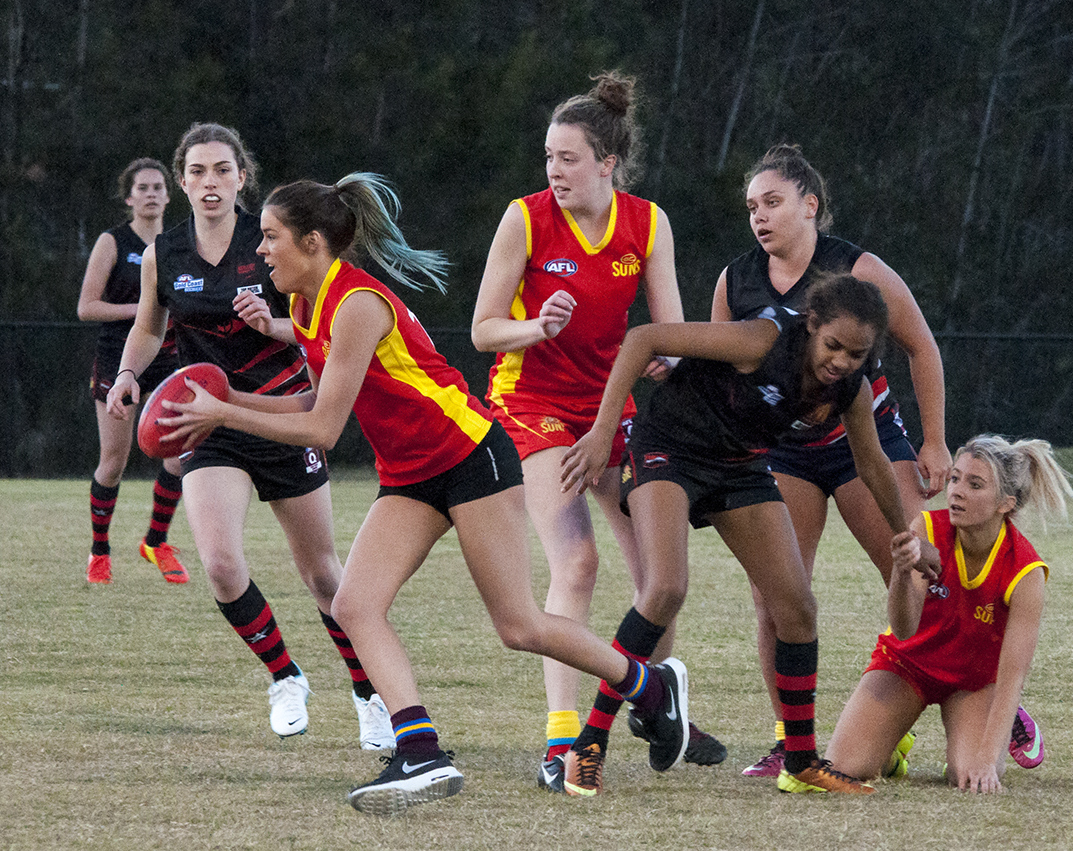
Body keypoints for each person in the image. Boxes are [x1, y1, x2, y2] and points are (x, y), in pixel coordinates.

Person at [158, 171, 692, 817]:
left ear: (314, 241)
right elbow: (313, 399)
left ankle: (648, 686)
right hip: (411, 473)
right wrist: (225, 401)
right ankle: (420, 749)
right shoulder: (304, 304)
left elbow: (322, 428)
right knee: (355, 604)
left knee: (518, 625)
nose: (261, 249)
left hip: (470, 458)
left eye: (271, 237)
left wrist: (223, 413)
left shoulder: (355, 302)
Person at [559, 273, 938, 796]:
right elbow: (643, 338)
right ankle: (588, 744)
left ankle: (801, 761)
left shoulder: (851, 383)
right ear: (811, 326)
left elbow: (872, 463)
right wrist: (603, 433)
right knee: (666, 587)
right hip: (669, 447)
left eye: (857, 353)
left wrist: (908, 537)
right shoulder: (763, 338)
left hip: (739, 467)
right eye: (833, 346)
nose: (842, 362)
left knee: (798, 607)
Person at [471, 71, 723, 792]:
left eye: (568, 158)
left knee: (659, 573)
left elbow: (668, 332)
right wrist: (535, 324)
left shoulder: (647, 223)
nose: (553, 170)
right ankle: (560, 741)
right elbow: (484, 330)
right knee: (577, 564)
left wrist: (677, 363)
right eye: (548, 157)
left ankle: (657, 700)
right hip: (532, 406)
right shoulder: (524, 219)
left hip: (609, 407)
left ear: (606, 163)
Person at [104, 124, 393, 752]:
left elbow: (322, 321)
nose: (210, 183)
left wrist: (276, 324)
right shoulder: (165, 254)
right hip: (207, 419)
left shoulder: (270, 242)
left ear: (243, 176)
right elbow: (151, 328)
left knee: (322, 575)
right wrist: (129, 373)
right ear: (181, 182)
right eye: (198, 172)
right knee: (220, 563)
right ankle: (285, 677)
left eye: (222, 171)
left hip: (286, 413)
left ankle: (369, 694)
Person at [710, 143, 956, 776]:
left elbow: (921, 348)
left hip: (864, 444)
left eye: (772, 202)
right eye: (750, 207)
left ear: (809, 205)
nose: (759, 217)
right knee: (777, 599)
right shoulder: (736, 280)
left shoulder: (859, 268)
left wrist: (934, 441)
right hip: (784, 454)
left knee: (921, 576)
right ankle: (790, 741)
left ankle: (987, 705)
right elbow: (721, 373)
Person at [823, 435, 1073, 793]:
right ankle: (891, 752)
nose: (956, 491)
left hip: (972, 683)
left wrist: (987, 760)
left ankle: (975, 740)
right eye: (955, 479)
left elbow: (1012, 677)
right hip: (907, 666)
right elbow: (904, 629)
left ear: (1006, 503)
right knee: (845, 768)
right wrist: (900, 570)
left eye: (975, 484)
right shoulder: (926, 528)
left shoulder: (1026, 571)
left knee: (971, 776)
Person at [77, 157, 188, 585]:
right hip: (119, 359)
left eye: (159, 187)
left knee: (179, 457)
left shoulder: (180, 243)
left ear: (169, 193)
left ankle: (156, 542)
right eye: (143, 188)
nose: (152, 194)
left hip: (170, 359)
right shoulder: (113, 241)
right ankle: (99, 551)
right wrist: (147, 310)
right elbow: (88, 307)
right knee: (114, 461)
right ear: (129, 197)